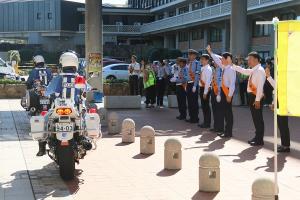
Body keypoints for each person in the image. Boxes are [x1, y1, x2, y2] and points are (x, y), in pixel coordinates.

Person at [232, 52, 266, 146]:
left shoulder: (259, 70)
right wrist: (232, 65)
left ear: (256, 59)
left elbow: (260, 87)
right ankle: (257, 137)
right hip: (253, 96)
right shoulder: (254, 69)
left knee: (258, 119)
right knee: (256, 118)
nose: (248, 61)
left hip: (256, 97)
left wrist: (258, 100)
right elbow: (243, 71)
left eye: (250, 59)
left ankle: (259, 140)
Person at [207, 45, 236, 138]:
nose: (221, 60)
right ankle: (226, 131)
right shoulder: (225, 67)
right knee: (225, 112)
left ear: (228, 59)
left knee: (228, 113)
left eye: (223, 58)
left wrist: (229, 95)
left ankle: (228, 132)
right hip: (224, 92)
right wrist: (210, 52)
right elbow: (217, 60)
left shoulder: (231, 69)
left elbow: (232, 84)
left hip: (227, 93)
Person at [27, 55, 53, 157]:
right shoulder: (49, 70)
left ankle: (41, 149)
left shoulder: (34, 71)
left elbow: (29, 83)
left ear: (35, 62)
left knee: (39, 120)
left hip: (38, 98)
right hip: (49, 96)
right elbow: (52, 82)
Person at [265, 67, 291, 152]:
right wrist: (273, 103)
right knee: (281, 125)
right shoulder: (280, 75)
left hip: (282, 103)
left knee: (283, 125)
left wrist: (268, 77)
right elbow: (276, 91)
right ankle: (285, 144)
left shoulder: (284, 77)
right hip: (279, 102)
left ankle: (286, 146)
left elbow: (277, 87)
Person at [186, 49, 201, 123]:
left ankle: (195, 118)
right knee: (189, 101)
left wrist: (195, 85)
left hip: (193, 84)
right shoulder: (188, 64)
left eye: (190, 54)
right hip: (188, 84)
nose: (189, 56)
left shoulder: (197, 63)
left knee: (194, 101)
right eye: (189, 54)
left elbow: (197, 75)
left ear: (194, 56)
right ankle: (191, 116)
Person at [198, 54, 212, 128]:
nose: (201, 60)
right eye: (201, 59)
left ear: (207, 60)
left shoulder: (208, 69)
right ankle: (205, 122)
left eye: (203, 59)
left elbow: (207, 82)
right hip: (202, 88)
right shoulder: (203, 68)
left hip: (205, 89)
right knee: (203, 106)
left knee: (206, 106)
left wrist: (205, 92)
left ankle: (207, 123)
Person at [210, 60, 223, 133]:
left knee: (219, 111)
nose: (213, 62)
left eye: (215, 61)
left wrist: (219, 94)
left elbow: (220, 83)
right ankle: (216, 126)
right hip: (213, 91)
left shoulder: (221, 70)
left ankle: (220, 127)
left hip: (218, 92)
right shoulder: (214, 70)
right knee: (214, 110)